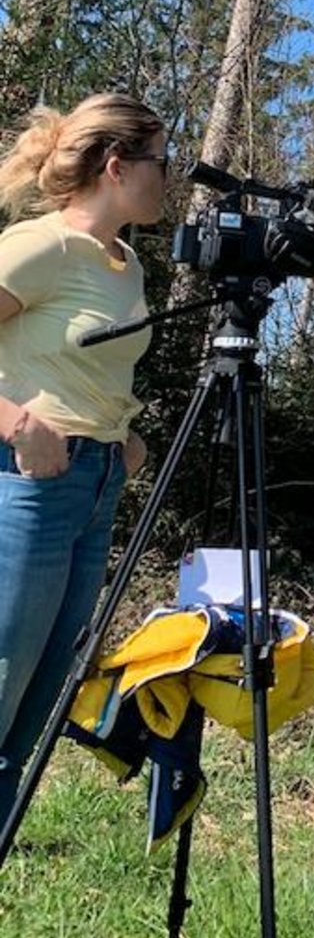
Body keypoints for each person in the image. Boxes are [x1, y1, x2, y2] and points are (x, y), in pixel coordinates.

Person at [0, 93, 167, 822]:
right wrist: (15, 424)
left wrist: (118, 433)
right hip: (26, 488)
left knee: (34, 706)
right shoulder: (42, 244)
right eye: (160, 162)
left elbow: (92, 365)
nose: (170, 177)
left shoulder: (126, 265)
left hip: (94, 487)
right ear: (115, 165)